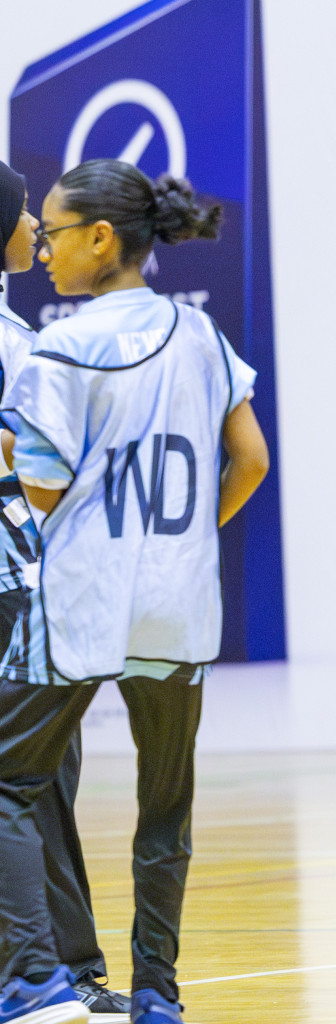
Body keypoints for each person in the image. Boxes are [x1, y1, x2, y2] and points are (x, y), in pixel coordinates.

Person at [0, 158, 269, 1024]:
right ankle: (157, 995)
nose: (45, 248)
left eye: (57, 231)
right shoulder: (203, 336)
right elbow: (252, 461)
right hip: (178, 602)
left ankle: (35, 985)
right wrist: (183, 538)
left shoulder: (61, 345)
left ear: (102, 239)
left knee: (7, 783)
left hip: (82, 598)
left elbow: (41, 487)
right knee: (165, 809)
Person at [0, 160, 131, 1020]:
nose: (35, 228)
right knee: (27, 781)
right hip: (21, 581)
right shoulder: (15, 343)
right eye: (21, 211)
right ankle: (48, 979)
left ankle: (60, 971)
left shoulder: (14, 329)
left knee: (34, 782)